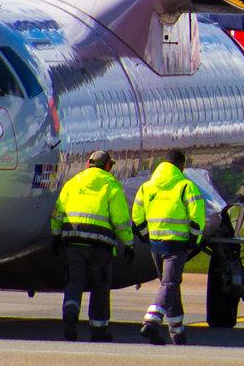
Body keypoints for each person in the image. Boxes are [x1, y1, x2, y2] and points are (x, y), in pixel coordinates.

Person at [50, 149, 131, 342]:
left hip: (73, 241)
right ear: (108, 166)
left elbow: (58, 211)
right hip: (100, 245)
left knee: (75, 281)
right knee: (100, 287)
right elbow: (120, 220)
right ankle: (98, 330)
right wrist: (129, 244)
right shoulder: (111, 186)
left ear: (88, 164)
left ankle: (70, 312)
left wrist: (55, 235)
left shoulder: (73, 183)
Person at [132, 147, 205, 345]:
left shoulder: (147, 187)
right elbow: (197, 217)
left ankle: (177, 332)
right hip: (177, 244)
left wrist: (147, 237)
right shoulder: (185, 186)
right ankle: (152, 320)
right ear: (181, 165)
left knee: (170, 285)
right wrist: (194, 241)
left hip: (156, 244)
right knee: (170, 284)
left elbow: (137, 215)